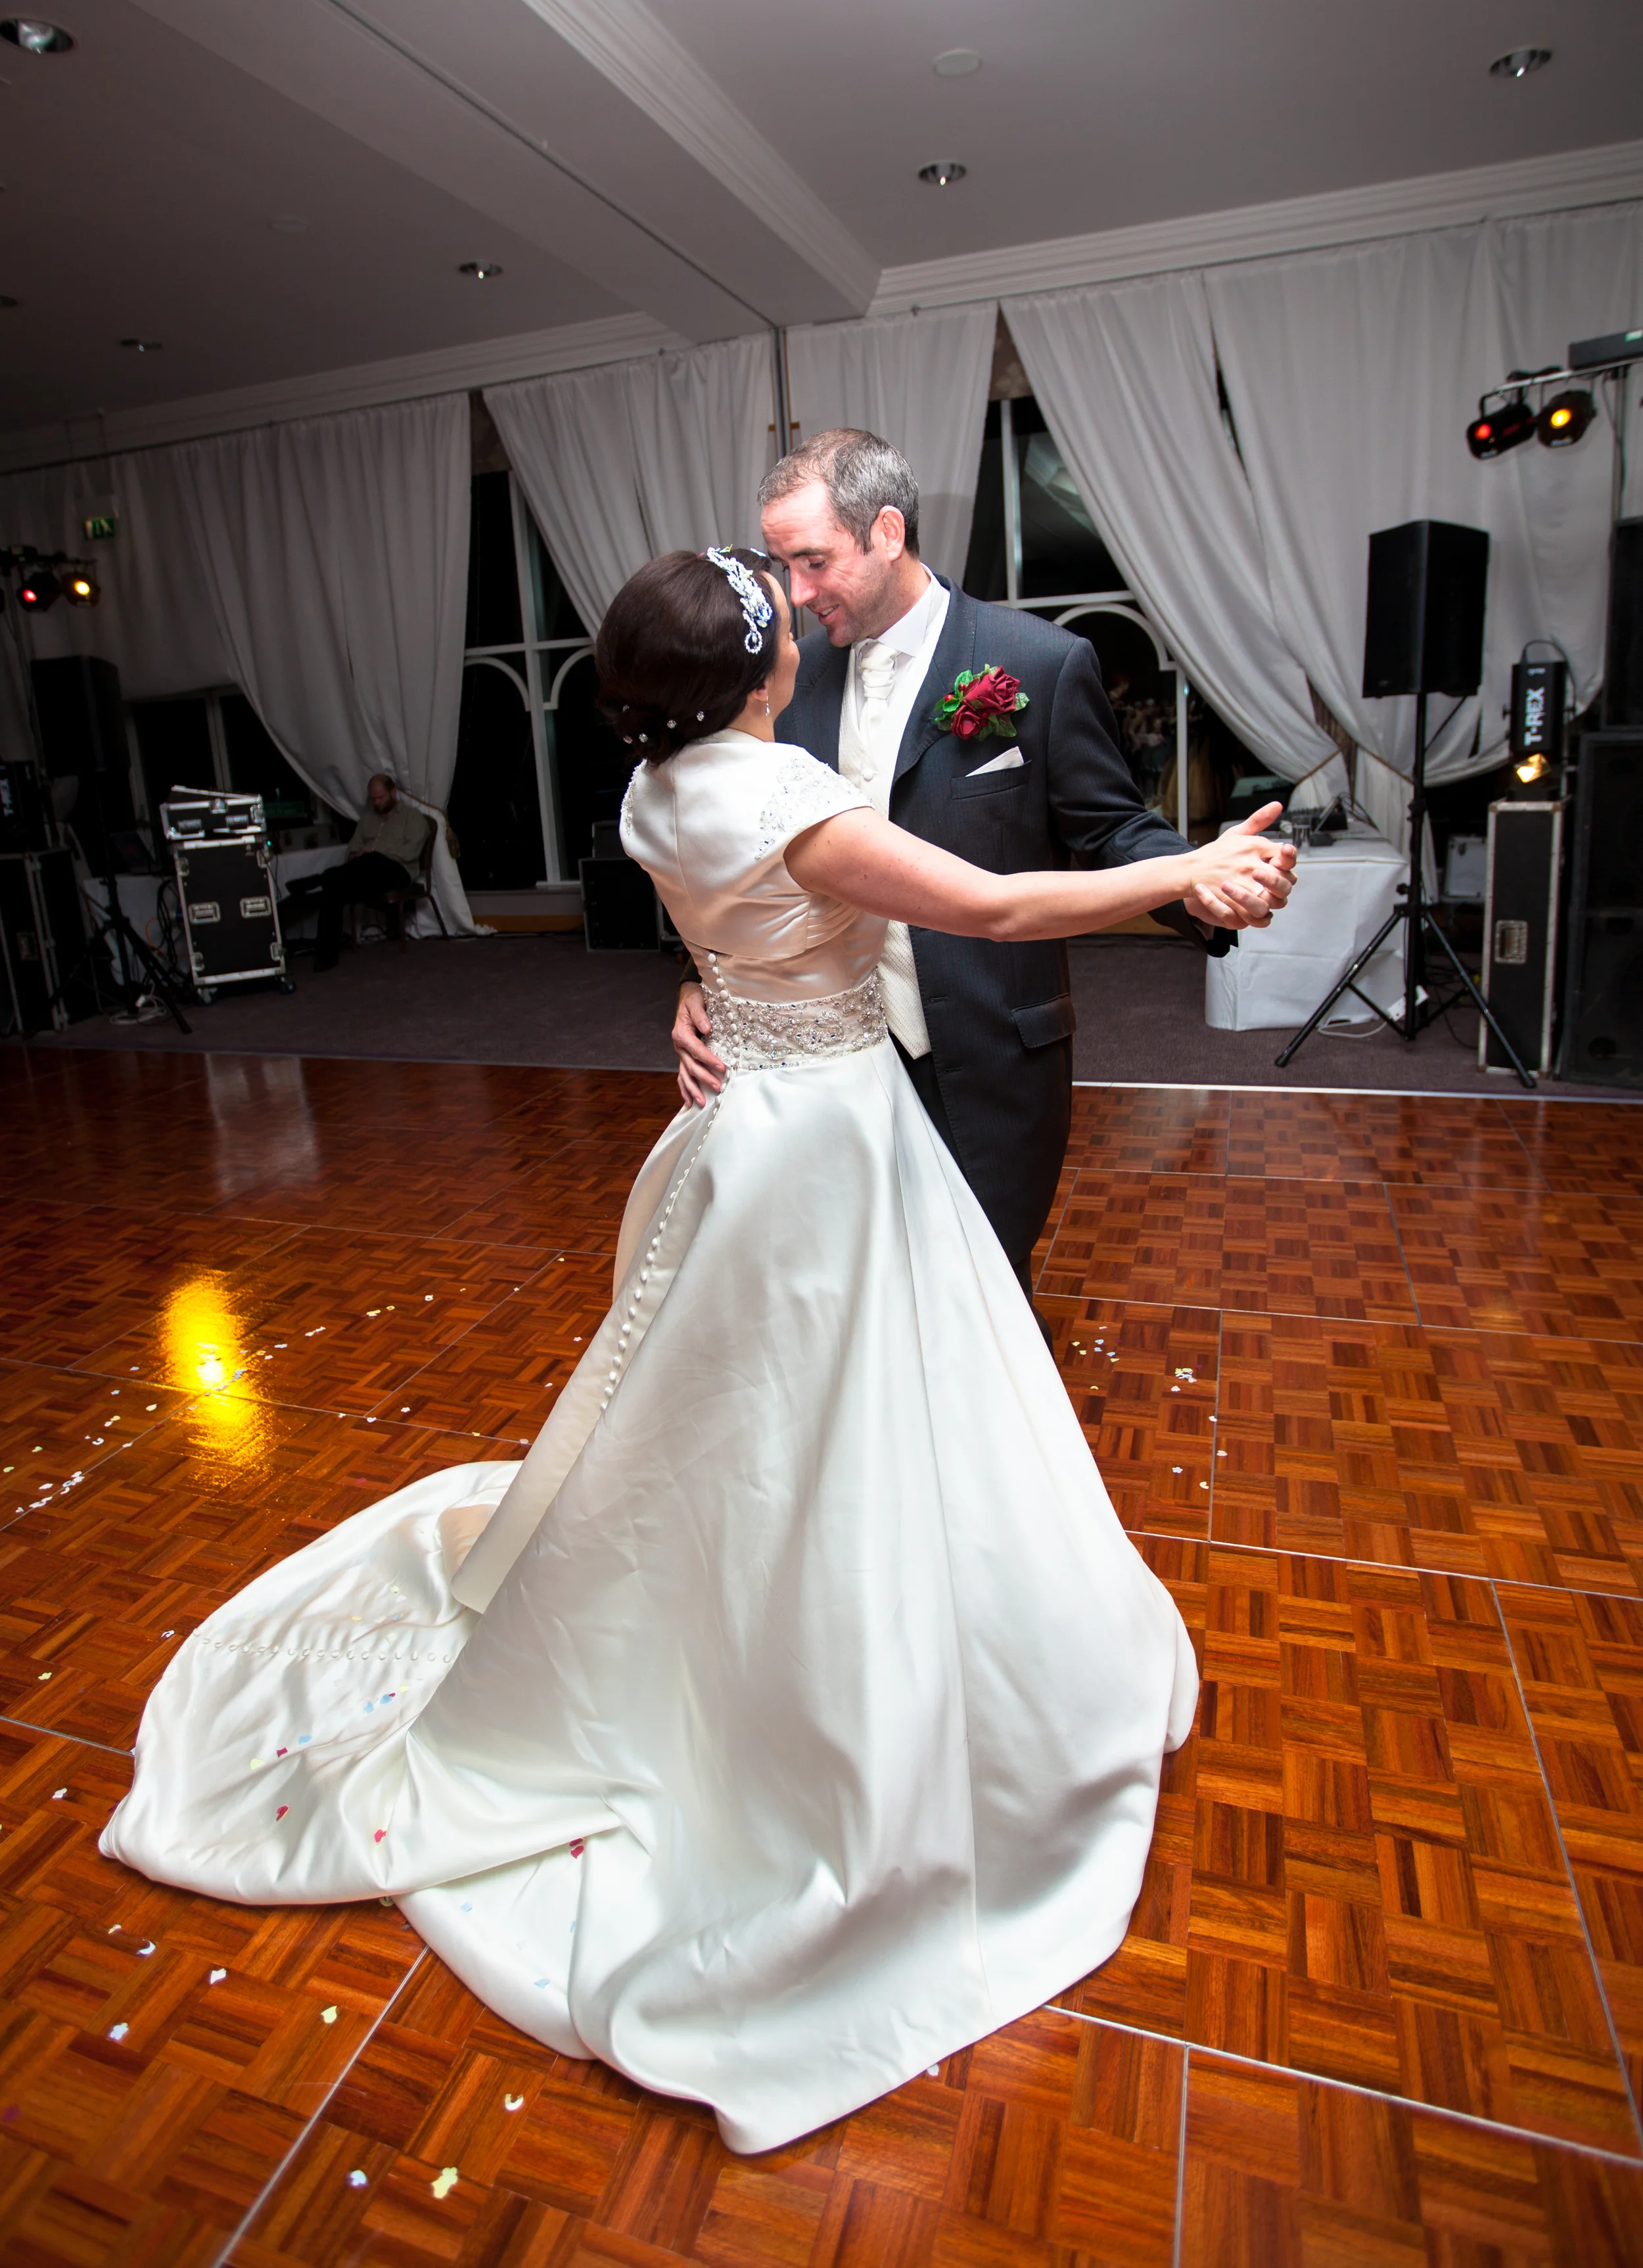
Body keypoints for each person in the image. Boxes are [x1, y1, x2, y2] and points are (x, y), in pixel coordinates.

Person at [101, 549, 1294, 2157]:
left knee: (772, 1427)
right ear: (754, 671)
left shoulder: (662, 787)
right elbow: (997, 906)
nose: (804, 626)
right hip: (827, 1149)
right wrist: (1191, 865)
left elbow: (746, 931)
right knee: (838, 1421)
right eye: (784, 618)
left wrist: (710, 990)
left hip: (764, 1131)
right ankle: (837, 1707)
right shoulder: (779, 783)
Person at [673, 431, 1296, 1296]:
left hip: (986, 1052)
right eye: (784, 567)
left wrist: (1199, 881)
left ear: (887, 532)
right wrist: (705, 976)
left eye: (813, 561)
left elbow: (1113, 827)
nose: (799, 593)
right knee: (849, 1298)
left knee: (985, 1301)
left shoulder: (1040, 663)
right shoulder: (782, 679)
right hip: (826, 1067)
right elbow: (739, 849)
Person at [287, 773, 427, 971]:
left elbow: (410, 852)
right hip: (364, 873)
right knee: (334, 888)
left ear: (393, 793)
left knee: (372, 859)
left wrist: (376, 851)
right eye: (374, 799)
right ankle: (326, 956)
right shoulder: (367, 820)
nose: (377, 803)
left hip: (398, 872)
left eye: (381, 798)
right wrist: (357, 855)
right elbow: (352, 849)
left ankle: (319, 879)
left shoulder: (412, 817)